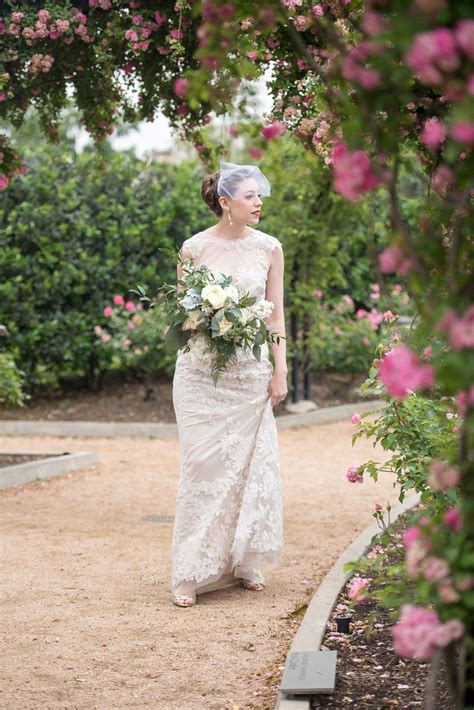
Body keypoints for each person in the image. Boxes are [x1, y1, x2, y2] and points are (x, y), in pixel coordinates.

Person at [171, 161, 288, 607]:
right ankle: (189, 571)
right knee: (202, 468)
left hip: (249, 376)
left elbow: (275, 313)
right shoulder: (193, 248)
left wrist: (280, 370)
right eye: (250, 196)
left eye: (260, 195)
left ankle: (244, 561)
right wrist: (212, 318)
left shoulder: (269, 248)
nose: (259, 203)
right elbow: (184, 315)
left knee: (246, 469)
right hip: (200, 375)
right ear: (225, 202)